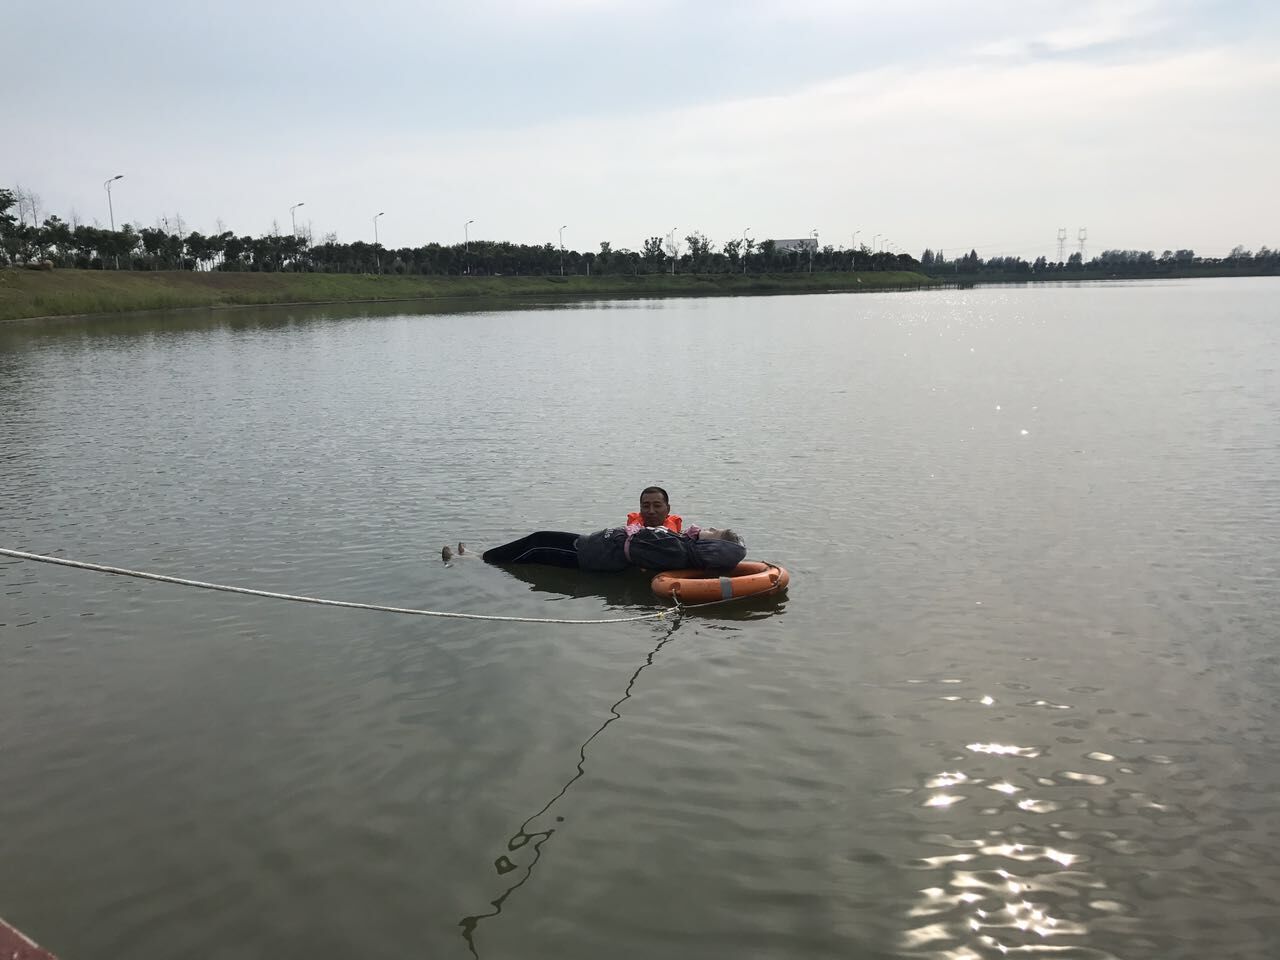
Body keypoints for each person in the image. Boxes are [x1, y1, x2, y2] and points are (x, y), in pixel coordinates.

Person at [481, 524, 744, 573]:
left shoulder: (677, 551)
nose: (709, 527)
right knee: (539, 540)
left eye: (713, 532)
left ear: (711, 546)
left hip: (590, 555)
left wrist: (628, 533)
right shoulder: (682, 545)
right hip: (591, 544)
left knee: (536, 545)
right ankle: (488, 558)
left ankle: (483, 561)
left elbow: (638, 548)